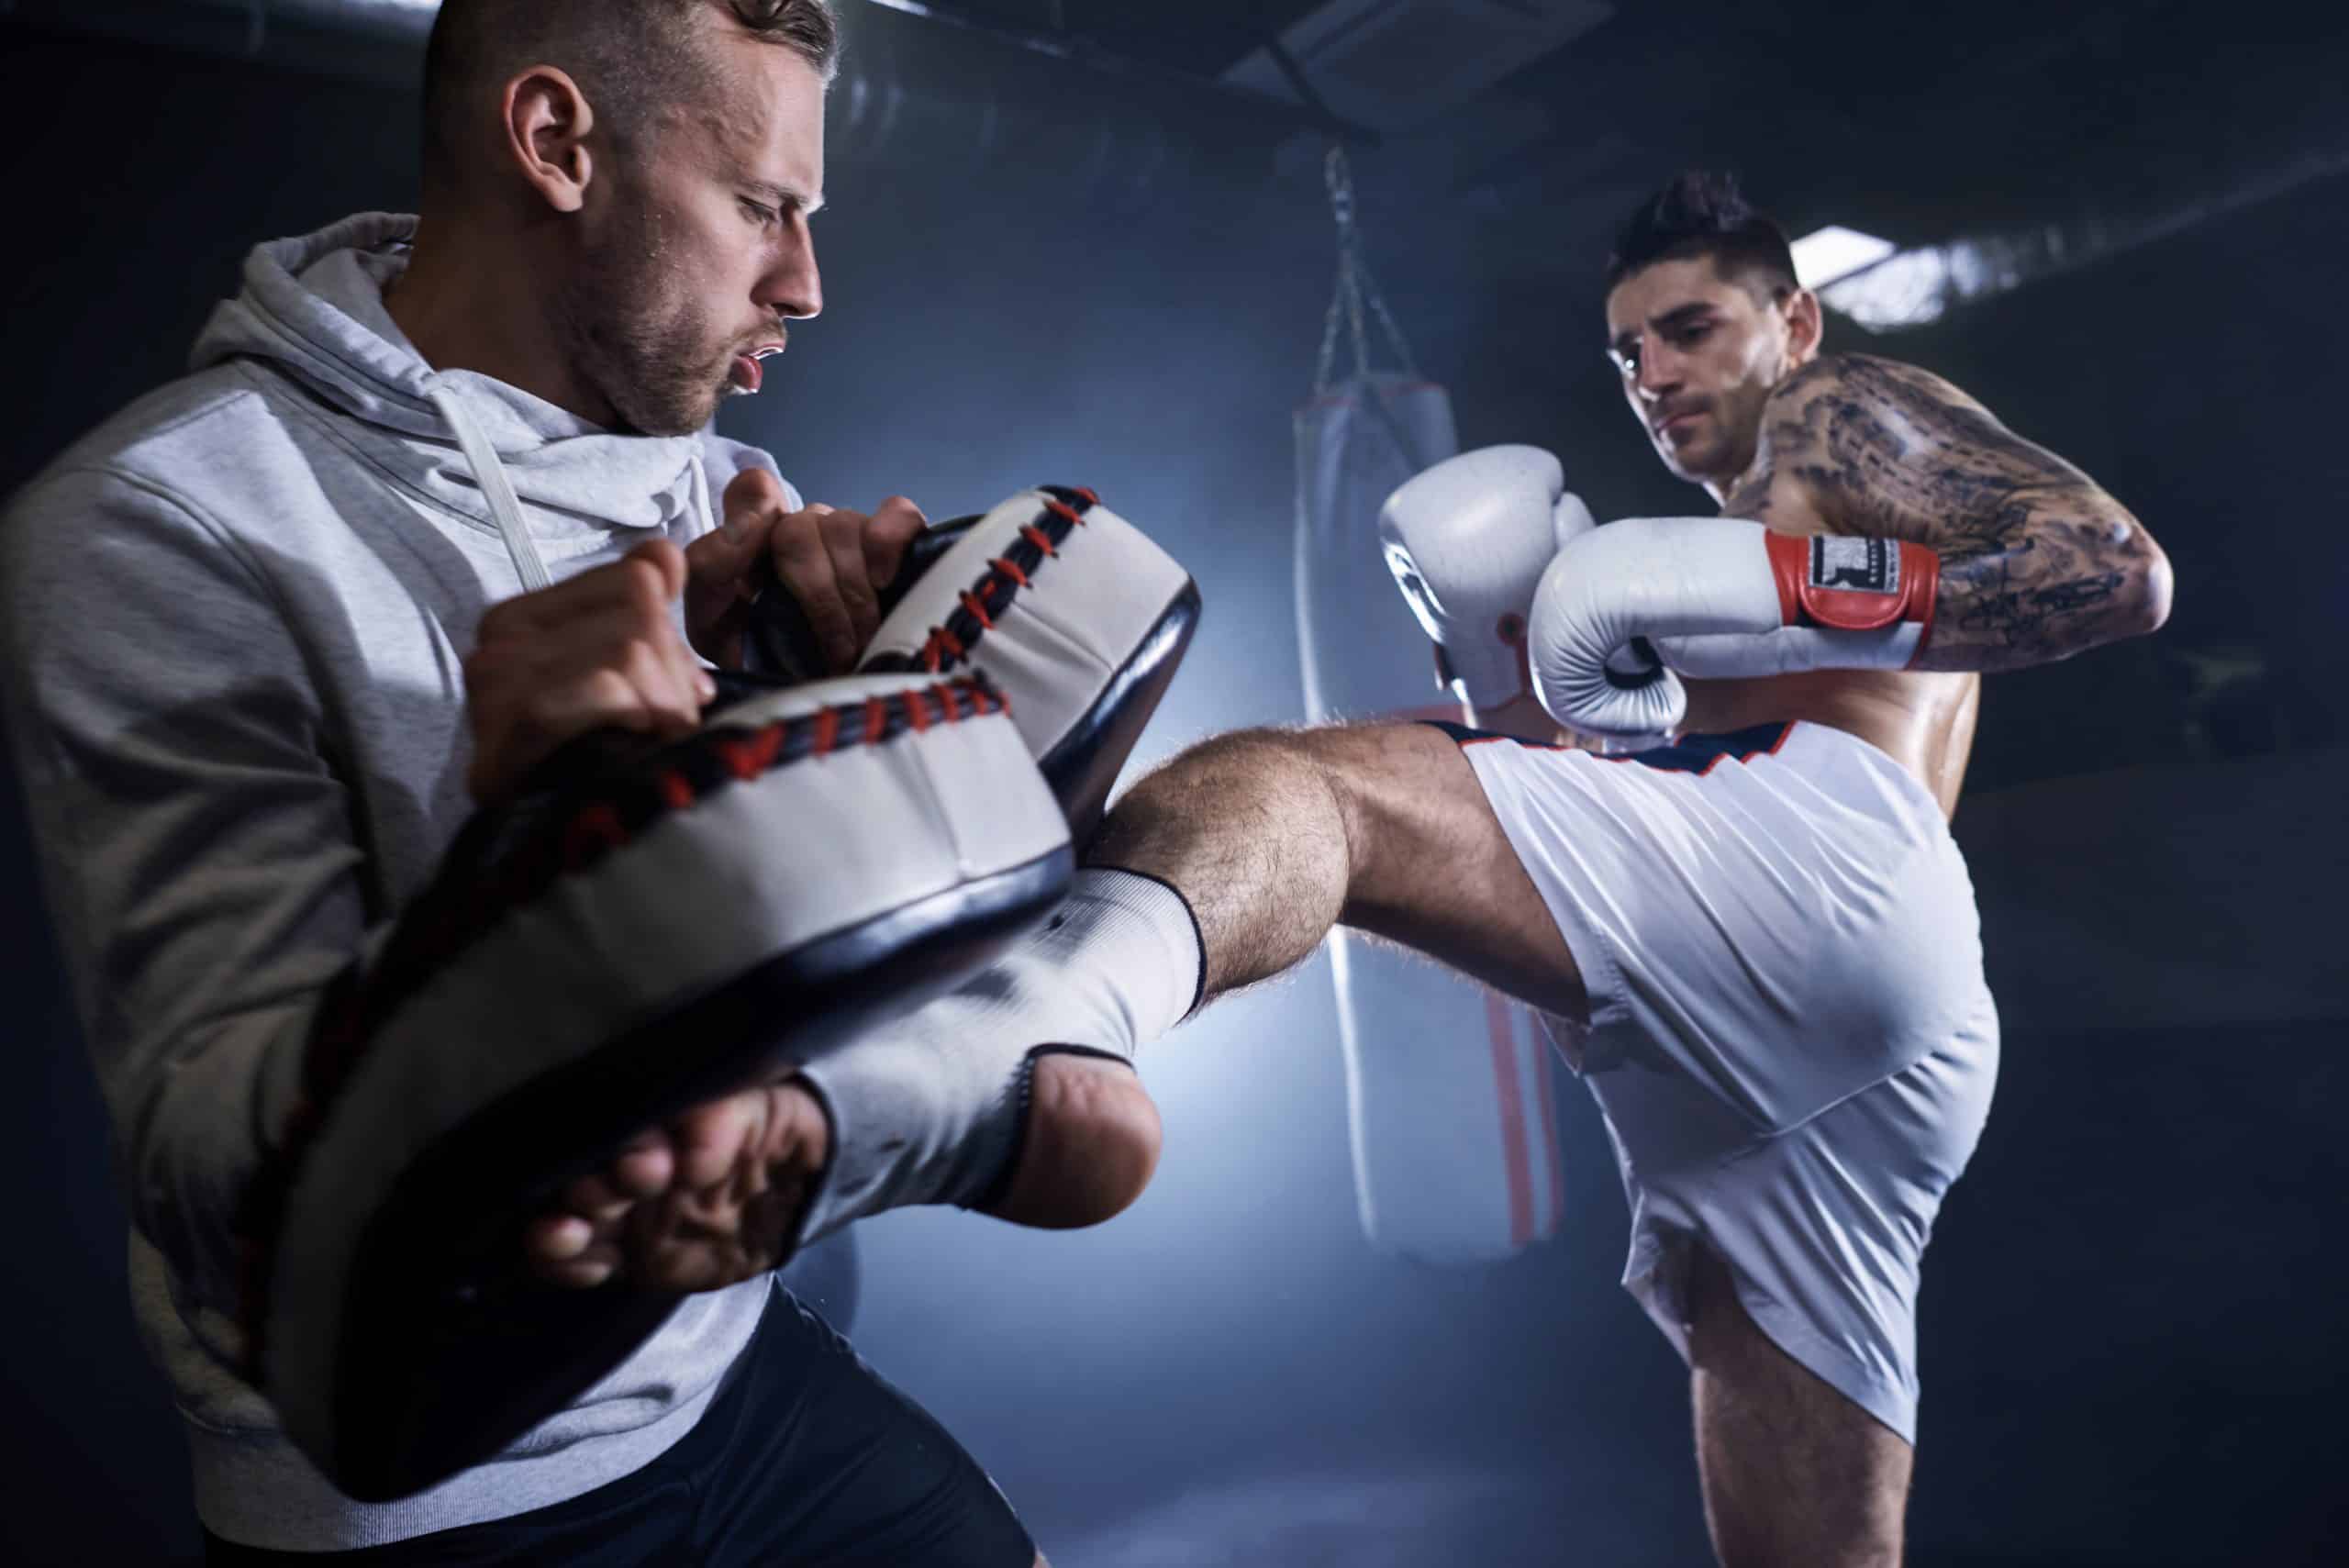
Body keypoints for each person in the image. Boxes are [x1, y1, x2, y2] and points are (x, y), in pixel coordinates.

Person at [550, 172, 2171, 1566]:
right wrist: (1530, 674)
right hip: (1849, 1045)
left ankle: (1006, 1048)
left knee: (1309, 791)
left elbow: (2108, 569)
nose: (1656, 376)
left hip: (1832, 867)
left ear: (1793, 322)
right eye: (1629, 351)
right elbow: (1604, 792)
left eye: (1692, 330)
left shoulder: (1840, 413)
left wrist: (1736, 586)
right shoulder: (1701, 558)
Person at [0, 1, 1155, 1561]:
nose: (806, 283)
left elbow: (762, 968)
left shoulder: (702, 476)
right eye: (763, 207)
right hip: (435, 1491)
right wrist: (541, 827)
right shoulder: (159, 526)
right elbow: (245, 1217)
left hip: (726, 1369)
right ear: (556, 144)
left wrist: (802, 716)